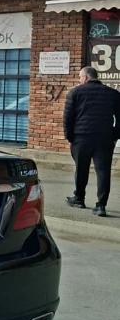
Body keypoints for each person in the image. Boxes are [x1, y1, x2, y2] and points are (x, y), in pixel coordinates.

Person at [63, 66, 120, 216]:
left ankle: (79, 199)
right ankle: (101, 206)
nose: (79, 80)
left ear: (86, 77)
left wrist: (70, 138)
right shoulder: (113, 94)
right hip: (104, 139)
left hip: (81, 138)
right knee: (103, 172)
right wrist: (114, 136)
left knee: (81, 169)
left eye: (80, 77)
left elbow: (67, 118)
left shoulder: (75, 92)